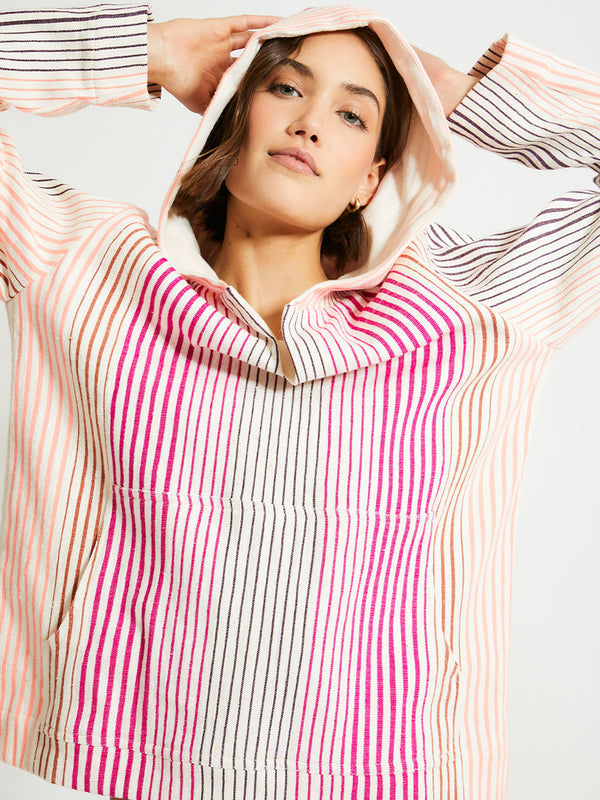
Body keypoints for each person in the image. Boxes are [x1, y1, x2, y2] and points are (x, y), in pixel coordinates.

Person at [0, 5, 598, 800]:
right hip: (96, 761)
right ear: (233, 113)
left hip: (386, 771)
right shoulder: (82, 266)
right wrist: (150, 52)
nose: (312, 123)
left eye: (353, 113)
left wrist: (462, 94)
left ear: (372, 179)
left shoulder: (469, 312)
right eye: (286, 87)